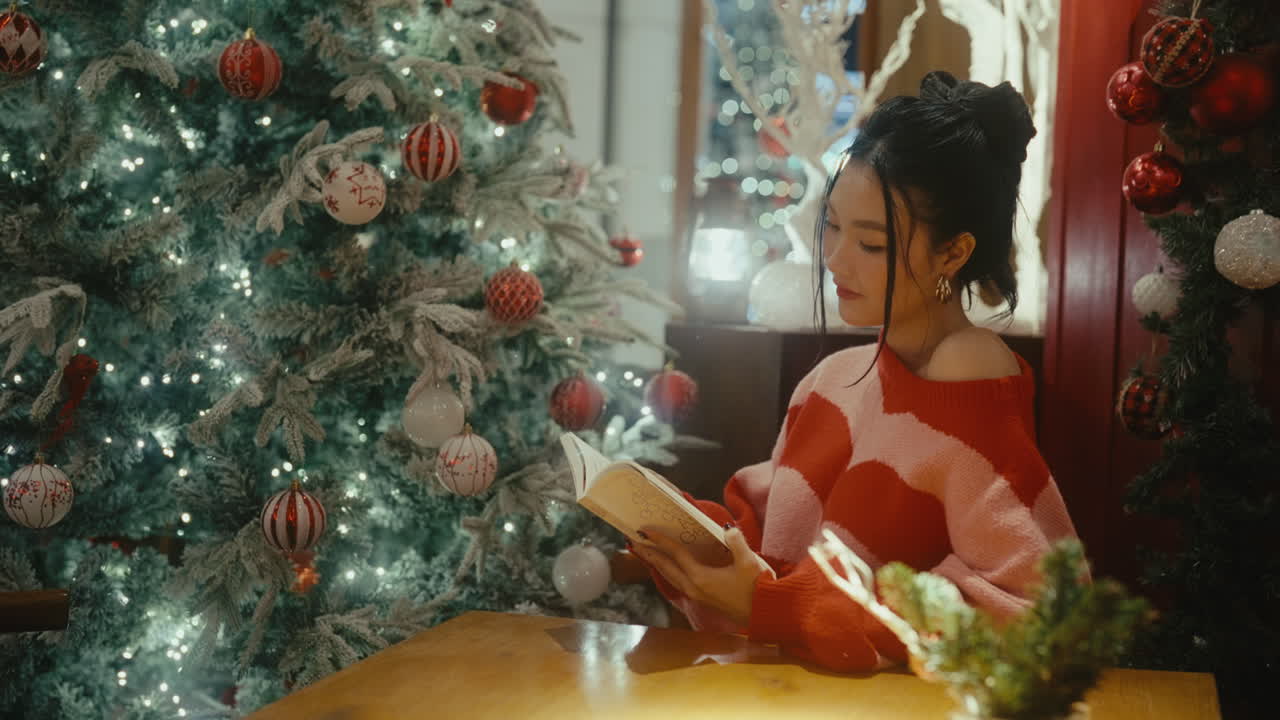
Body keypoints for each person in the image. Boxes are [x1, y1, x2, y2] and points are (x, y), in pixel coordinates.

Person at [629, 71, 1082, 673]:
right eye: (833, 226)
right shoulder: (834, 380)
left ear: (954, 252)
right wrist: (683, 533)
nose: (836, 260)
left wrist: (772, 605)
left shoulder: (969, 391)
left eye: (871, 245)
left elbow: (1035, 611)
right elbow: (773, 542)